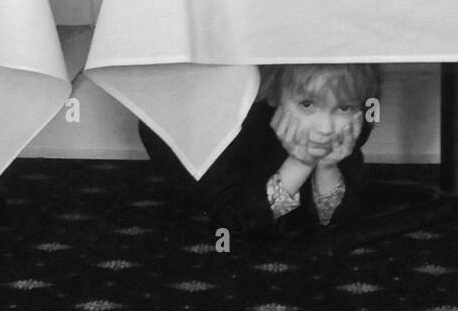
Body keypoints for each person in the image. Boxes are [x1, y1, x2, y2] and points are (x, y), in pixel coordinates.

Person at [139, 63, 379, 239]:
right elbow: (236, 226)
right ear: (274, 95)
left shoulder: (346, 133)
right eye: (307, 105)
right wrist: (300, 163)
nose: (325, 128)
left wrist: (327, 168)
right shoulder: (235, 134)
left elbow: (340, 224)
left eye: (344, 107)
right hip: (198, 147)